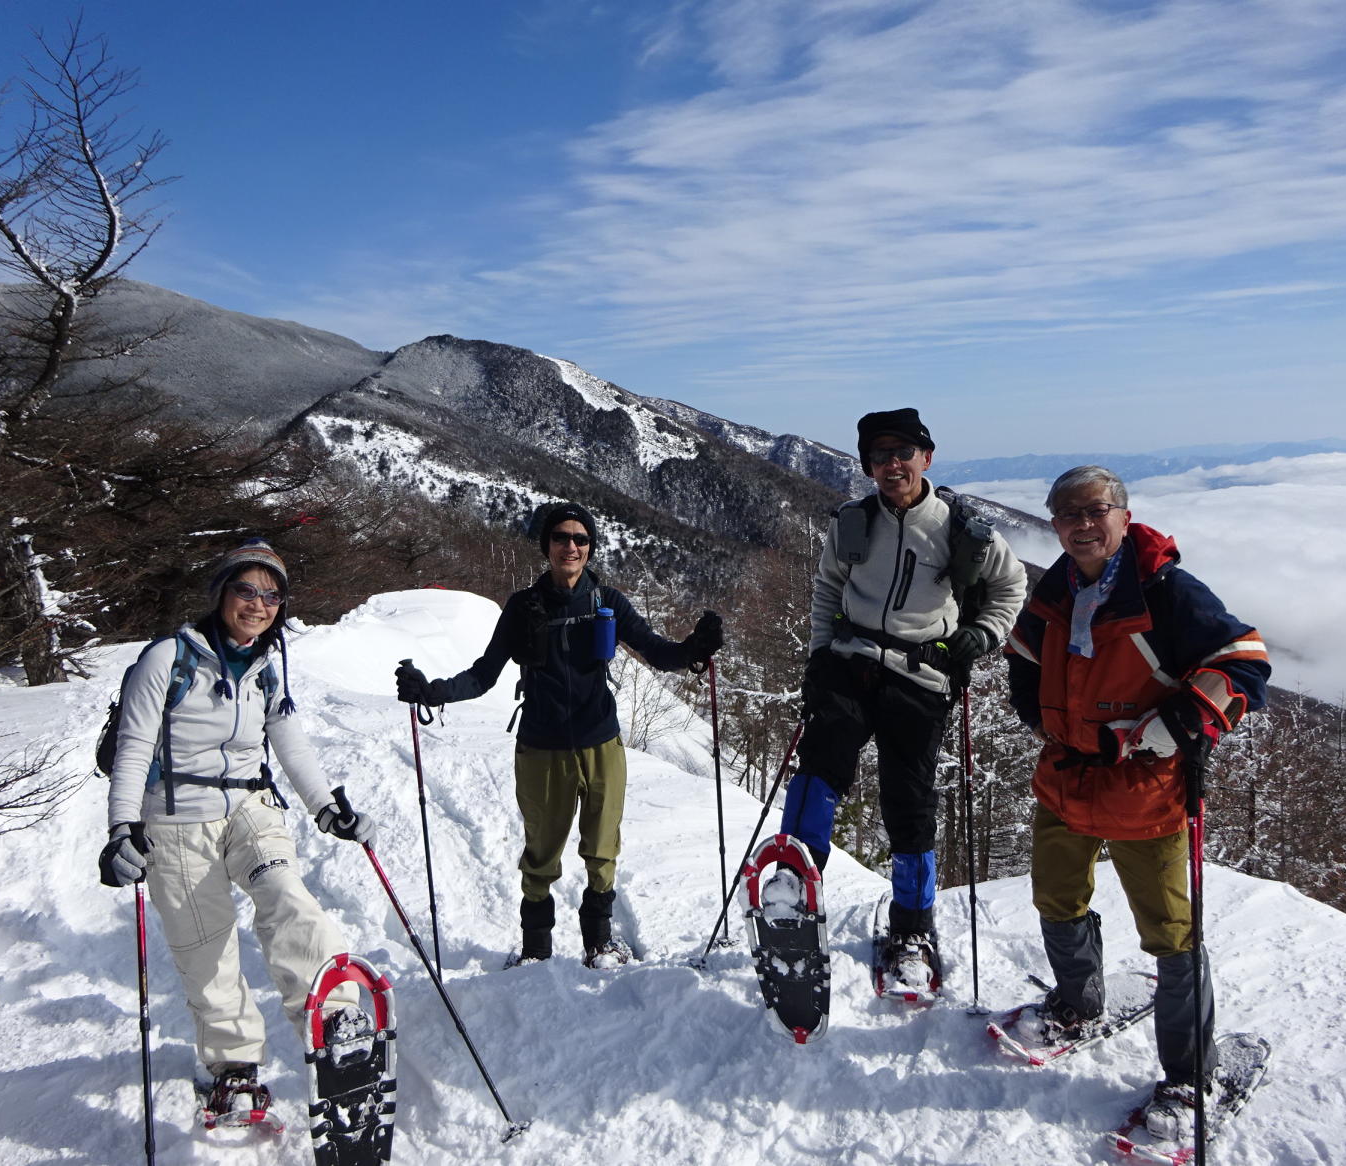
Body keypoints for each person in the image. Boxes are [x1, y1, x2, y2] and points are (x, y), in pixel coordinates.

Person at [1005, 465, 1269, 1138]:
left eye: (1095, 511)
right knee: (1053, 898)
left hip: (1142, 791)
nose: (1081, 524)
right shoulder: (1055, 588)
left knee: (1170, 934)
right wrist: (1039, 717)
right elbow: (1022, 656)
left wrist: (1177, 725)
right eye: (1067, 514)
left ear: (1123, 516)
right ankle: (1074, 1003)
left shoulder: (1164, 590)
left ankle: (1188, 1075)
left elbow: (1242, 659)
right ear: (1054, 524)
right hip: (1065, 779)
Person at [98, 539, 375, 1121]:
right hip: (175, 818)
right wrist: (122, 829)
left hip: (251, 808)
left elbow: (290, 741)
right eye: (246, 589)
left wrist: (327, 807)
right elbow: (132, 749)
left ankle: (336, 1019)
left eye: (271, 595)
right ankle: (234, 1066)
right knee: (208, 951)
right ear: (221, 592)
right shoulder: (165, 660)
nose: (258, 604)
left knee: (286, 895)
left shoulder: (267, 666)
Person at [394, 502, 724, 967]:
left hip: (601, 744)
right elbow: (485, 674)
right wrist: (434, 692)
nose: (571, 546)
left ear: (590, 548)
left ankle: (600, 944)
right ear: (546, 546)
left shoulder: (608, 602)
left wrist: (694, 648)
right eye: (561, 538)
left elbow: (656, 651)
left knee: (602, 849)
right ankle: (536, 950)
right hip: (541, 747)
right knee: (541, 854)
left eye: (580, 539)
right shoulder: (523, 607)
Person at [775, 407, 1027, 990]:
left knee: (908, 799)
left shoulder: (962, 530)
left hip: (922, 673)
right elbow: (828, 590)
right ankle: (793, 883)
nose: (892, 465)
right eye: (880, 456)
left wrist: (981, 635)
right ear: (868, 465)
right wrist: (818, 657)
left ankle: (912, 926)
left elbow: (1011, 587)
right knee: (821, 761)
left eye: (903, 453)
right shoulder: (852, 523)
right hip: (852, 660)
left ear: (926, 457)